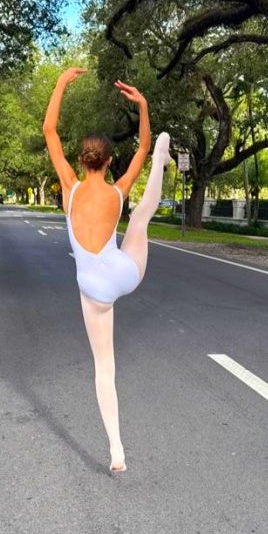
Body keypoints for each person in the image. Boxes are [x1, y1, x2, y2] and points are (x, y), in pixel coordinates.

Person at [42, 67, 171, 473]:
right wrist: (144, 107)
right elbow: (143, 147)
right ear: (109, 161)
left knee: (104, 369)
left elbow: (49, 131)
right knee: (140, 220)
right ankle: (165, 167)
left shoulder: (70, 186)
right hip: (126, 273)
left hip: (94, 289)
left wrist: (61, 83)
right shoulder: (117, 190)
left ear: (81, 161)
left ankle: (117, 449)